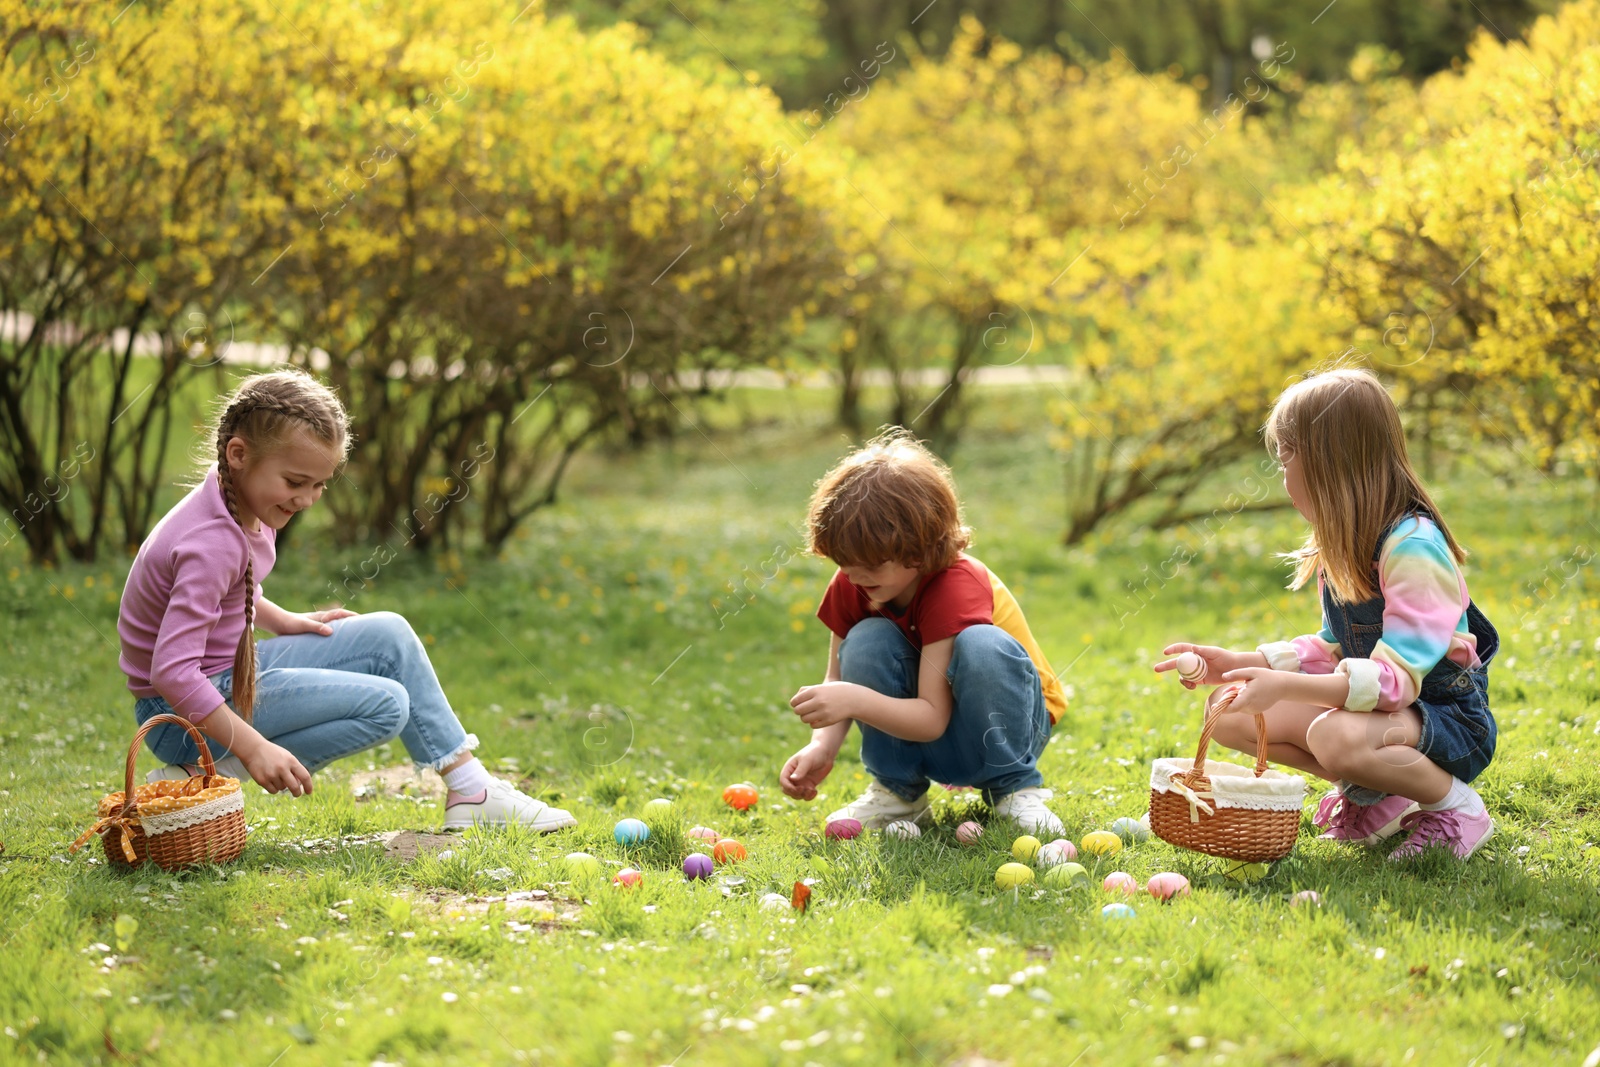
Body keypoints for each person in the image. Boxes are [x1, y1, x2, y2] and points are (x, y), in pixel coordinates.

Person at [116, 369, 575, 832]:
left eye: (320, 485)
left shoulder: (240, 500)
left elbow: (237, 592)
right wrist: (255, 749)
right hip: (180, 720)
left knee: (388, 634)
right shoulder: (210, 542)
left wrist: (285, 620)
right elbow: (171, 671)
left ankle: (470, 789)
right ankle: (212, 771)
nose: (309, 499)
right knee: (388, 705)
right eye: (296, 481)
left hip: (228, 676)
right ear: (238, 454)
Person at [1156, 367, 1498, 860]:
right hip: (1392, 719)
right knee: (1228, 711)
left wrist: (1288, 688)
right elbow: (1334, 647)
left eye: (1287, 459)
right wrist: (1234, 662)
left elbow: (1392, 683)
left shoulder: (1414, 550)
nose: (1282, 475)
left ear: (1326, 465)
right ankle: (1383, 795)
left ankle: (1456, 808)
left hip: (1448, 722)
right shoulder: (1344, 544)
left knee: (1333, 734)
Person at [779, 429, 1069, 834]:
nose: (853, 574)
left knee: (981, 644)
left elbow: (930, 718)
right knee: (866, 641)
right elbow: (838, 679)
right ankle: (900, 794)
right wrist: (821, 747)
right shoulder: (855, 582)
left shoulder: (956, 584)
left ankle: (1015, 789)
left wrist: (854, 699)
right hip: (926, 723)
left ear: (919, 550)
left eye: (872, 564)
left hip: (1009, 725)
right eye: (843, 561)